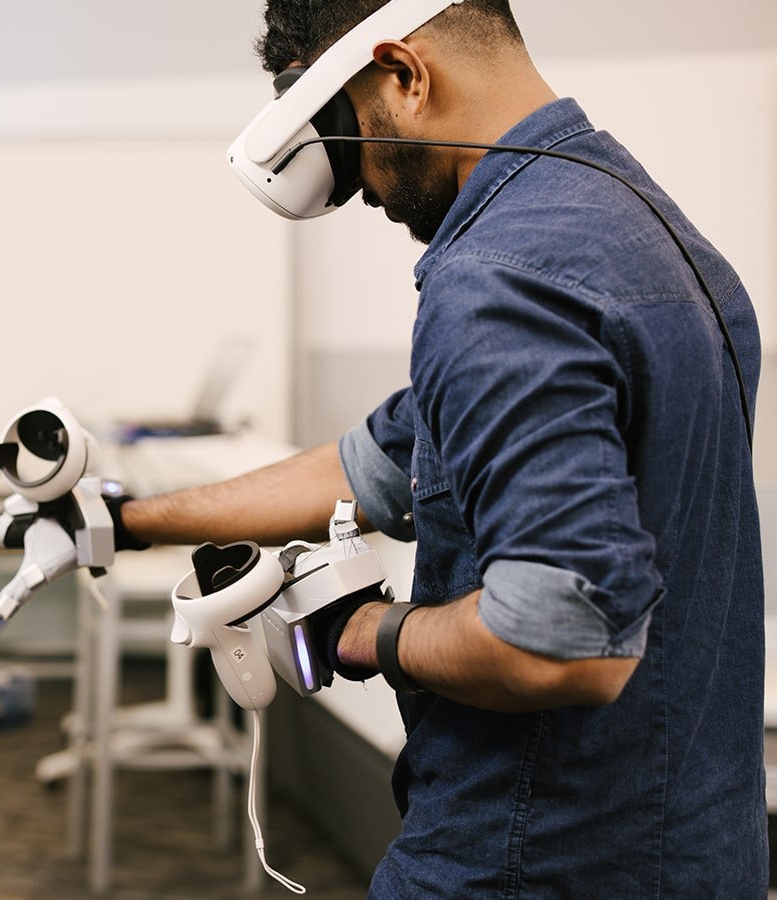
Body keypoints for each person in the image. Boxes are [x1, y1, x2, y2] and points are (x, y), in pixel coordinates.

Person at [108, 1, 764, 895]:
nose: (364, 194)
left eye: (353, 148)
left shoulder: (499, 279)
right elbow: (367, 463)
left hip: (532, 856)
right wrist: (126, 521)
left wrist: (356, 631)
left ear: (405, 75)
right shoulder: (643, 224)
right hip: (696, 848)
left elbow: (560, 644)